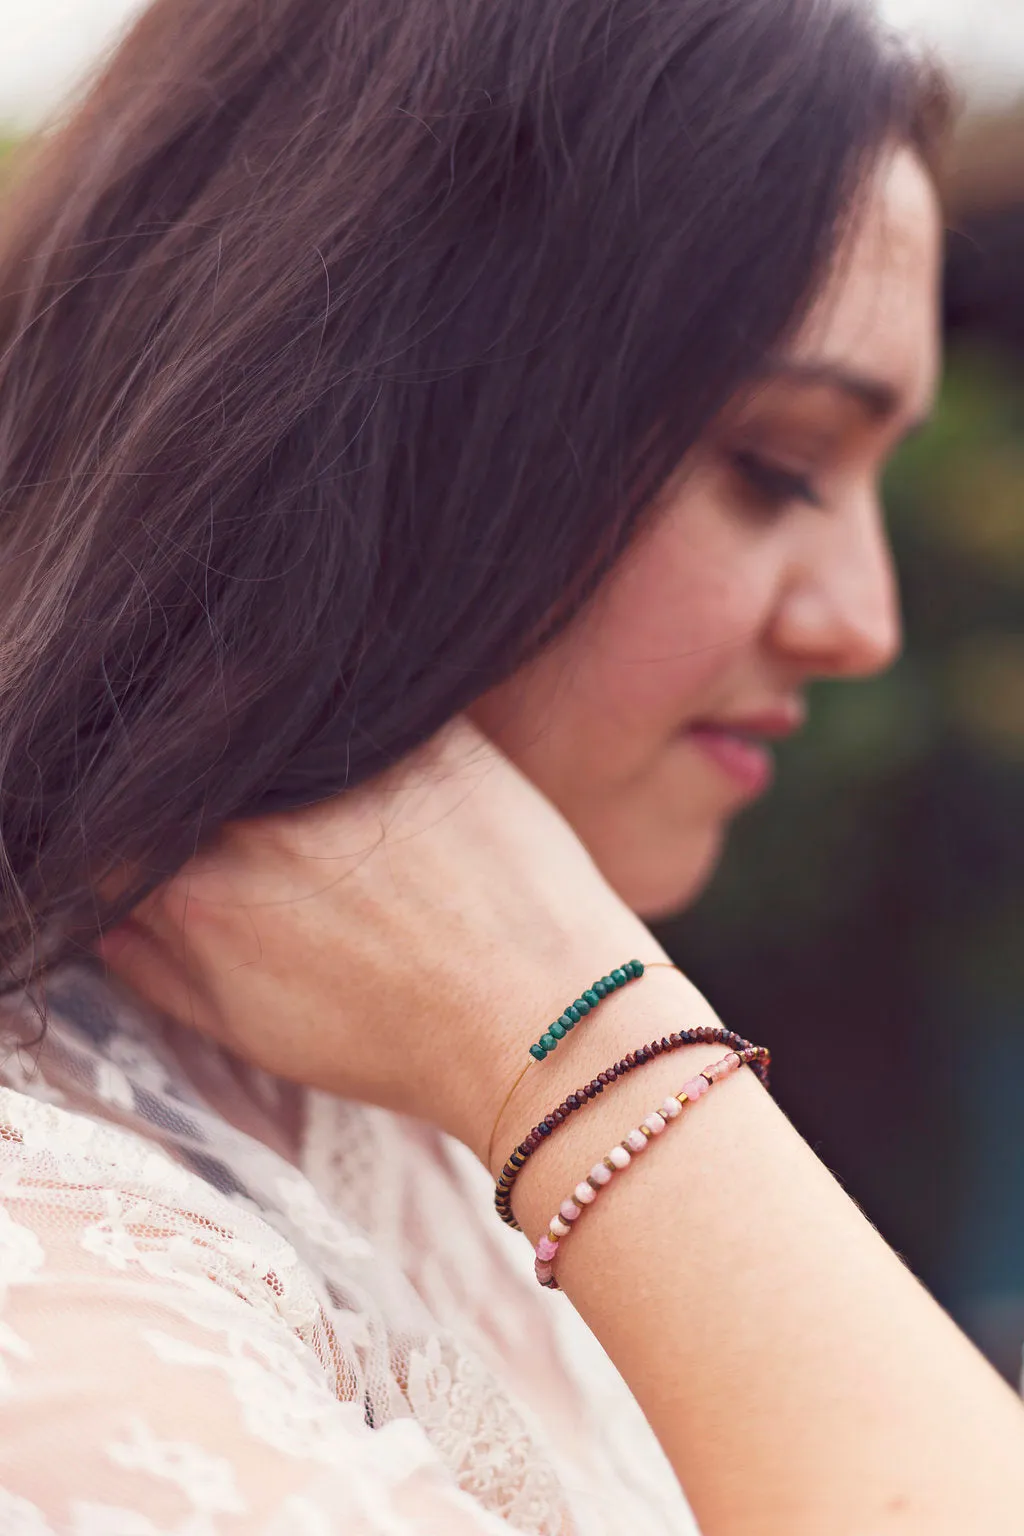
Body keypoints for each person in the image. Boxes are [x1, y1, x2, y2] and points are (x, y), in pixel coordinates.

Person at [0, 0, 1022, 1530]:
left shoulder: (401, 1095)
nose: (864, 624)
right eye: (779, 468)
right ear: (394, 409)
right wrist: (589, 1049)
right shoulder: (61, 1281)